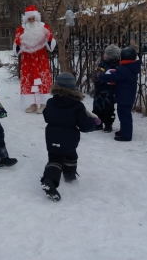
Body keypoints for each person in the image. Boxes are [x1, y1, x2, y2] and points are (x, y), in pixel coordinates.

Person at [40, 72, 98, 201]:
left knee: (54, 159)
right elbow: (84, 125)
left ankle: (49, 180)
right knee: (70, 156)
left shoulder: (51, 102)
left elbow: (46, 116)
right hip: (69, 137)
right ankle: (69, 177)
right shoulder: (77, 105)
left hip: (51, 136)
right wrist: (93, 124)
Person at [13, 5, 56, 114]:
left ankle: (43, 104)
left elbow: (50, 43)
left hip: (40, 57)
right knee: (29, 79)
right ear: (26, 19)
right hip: (27, 58)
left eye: (33, 18)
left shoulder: (43, 27)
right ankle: (32, 104)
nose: (31, 20)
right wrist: (18, 44)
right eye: (29, 18)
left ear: (36, 18)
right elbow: (16, 43)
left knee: (42, 78)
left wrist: (50, 40)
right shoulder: (21, 29)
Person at [98, 46, 141, 141]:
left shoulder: (124, 70)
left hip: (124, 96)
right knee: (124, 114)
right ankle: (124, 131)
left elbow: (112, 77)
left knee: (124, 115)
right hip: (127, 95)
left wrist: (101, 76)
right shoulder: (131, 67)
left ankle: (126, 135)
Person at [92, 44, 121, 132]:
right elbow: (97, 71)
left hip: (109, 91)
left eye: (106, 54)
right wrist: (95, 76)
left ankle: (108, 124)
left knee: (108, 108)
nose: (104, 55)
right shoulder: (102, 63)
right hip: (99, 89)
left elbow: (115, 77)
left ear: (111, 56)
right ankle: (98, 123)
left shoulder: (116, 66)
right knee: (97, 107)